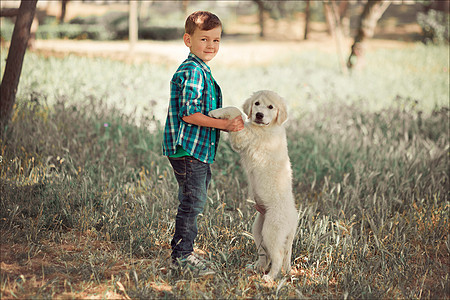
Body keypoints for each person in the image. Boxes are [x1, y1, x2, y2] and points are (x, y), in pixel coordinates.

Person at [162, 11, 244, 276]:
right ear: (188, 39)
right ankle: (182, 257)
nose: (211, 46)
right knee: (193, 201)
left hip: (195, 149)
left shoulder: (200, 70)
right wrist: (225, 125)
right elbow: (189, 113)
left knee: (192, 198)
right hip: (189, 149)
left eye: (216, 40)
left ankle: (183, 249)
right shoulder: (194, 71)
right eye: (204, 39)